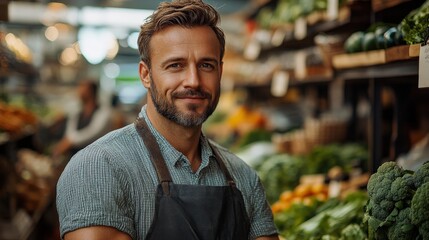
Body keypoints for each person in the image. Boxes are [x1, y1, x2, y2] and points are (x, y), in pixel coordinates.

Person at [56, 1, 279, 239]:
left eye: (206, 65)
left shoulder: (244, 177)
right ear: (146, 75)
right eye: (175, 65)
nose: (193, 80)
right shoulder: (98, 168)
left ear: (220, 73)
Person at [52, 79, 111, 158]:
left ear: (91, 91)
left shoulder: (104, 112)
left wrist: (70, 141)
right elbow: (70, 131)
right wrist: (67, 141)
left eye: (82, 87)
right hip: (75, 153)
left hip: (95, 156)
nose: (78, 90)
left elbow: (92, 133)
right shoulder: (77, 111)